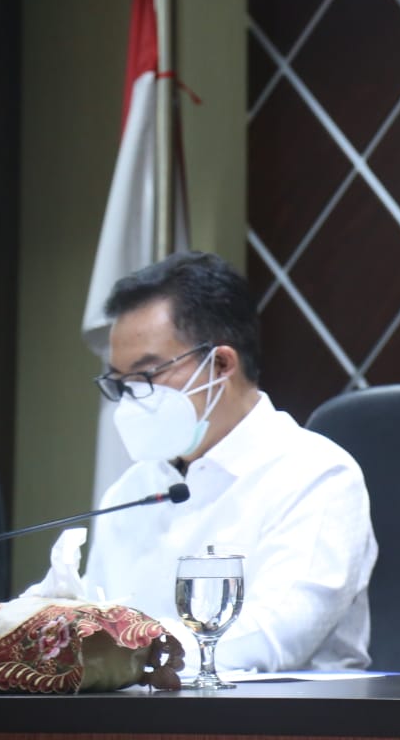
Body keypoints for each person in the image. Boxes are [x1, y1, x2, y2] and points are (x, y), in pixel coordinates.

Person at [84, 252, 377, 672]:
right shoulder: (131, 489)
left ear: (221, 364)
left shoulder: (318, 475)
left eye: (147, 376)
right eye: (120, 384)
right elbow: (91, 616)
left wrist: (128, 649)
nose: (132, 399)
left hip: (285, 710)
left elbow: (276, 638)